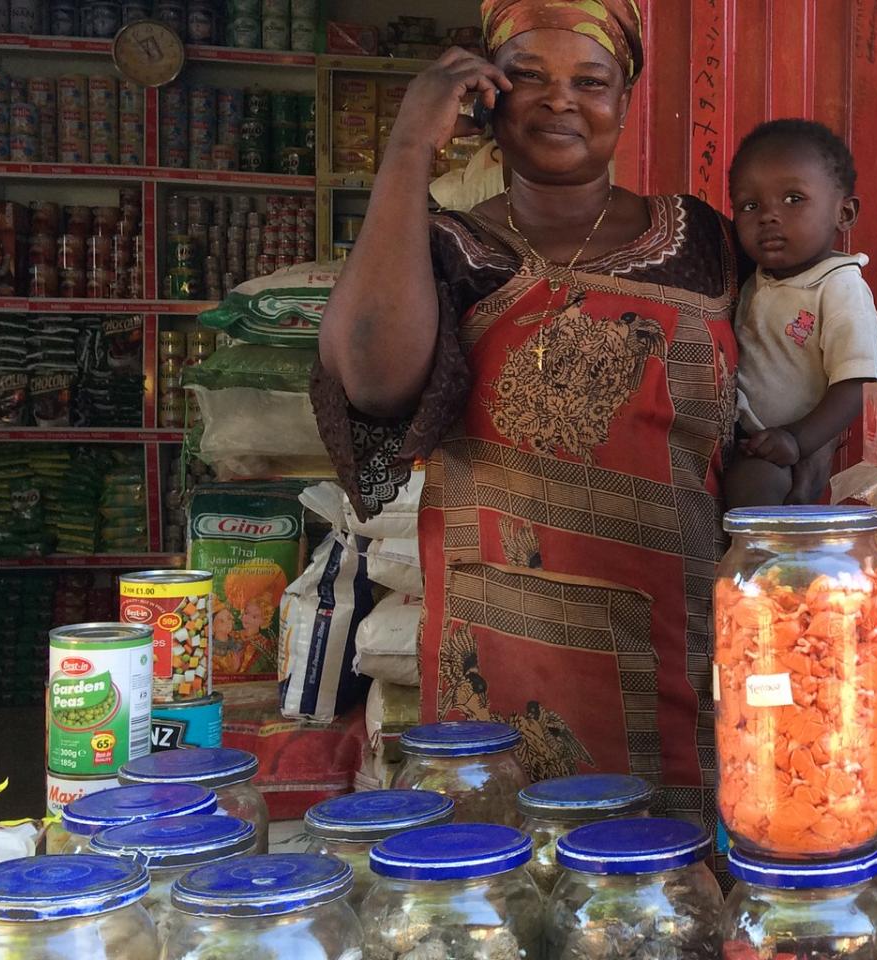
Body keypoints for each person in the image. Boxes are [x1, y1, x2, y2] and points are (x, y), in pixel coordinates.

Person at [311, 0, 740, 826]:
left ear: (626, 97)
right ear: (488, 97)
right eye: (530, 78)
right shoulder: (447, 245)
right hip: (506, 654)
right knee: (505, 880)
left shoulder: (703, 241)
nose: (561, 100)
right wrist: (409, 145)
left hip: (679, 642)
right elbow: (371, 380)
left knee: (667, 897)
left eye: (591, 80)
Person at [724, 119, 877, 507]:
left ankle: (765, 567)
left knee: (753, 494)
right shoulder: (752, 280)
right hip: (749, 438)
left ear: (843, 213)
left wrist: (797, 440)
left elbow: (857, 382)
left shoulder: (839, 288)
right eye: (750, 205)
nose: (769, 216)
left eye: (793, 199)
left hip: (790, 449)